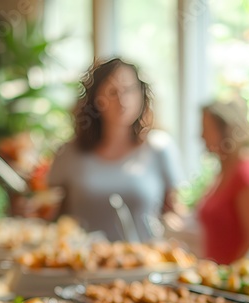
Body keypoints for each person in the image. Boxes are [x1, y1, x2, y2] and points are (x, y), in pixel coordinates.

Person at [48, 58, 184, 241]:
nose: (122, 100)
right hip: (82, 263)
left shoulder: (160, 147)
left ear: (142, 94)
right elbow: (51, 213)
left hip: (144, 262)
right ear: (96, 99)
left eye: (129, 89)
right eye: (112, 92)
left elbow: (173, 211)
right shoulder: (70, 152)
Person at [195, 99, 249, 264]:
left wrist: (228, 279)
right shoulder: (224, 172)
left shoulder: (245, 174)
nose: (201, 136)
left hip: (237, 281)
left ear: (225, 130)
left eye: (205, 129)